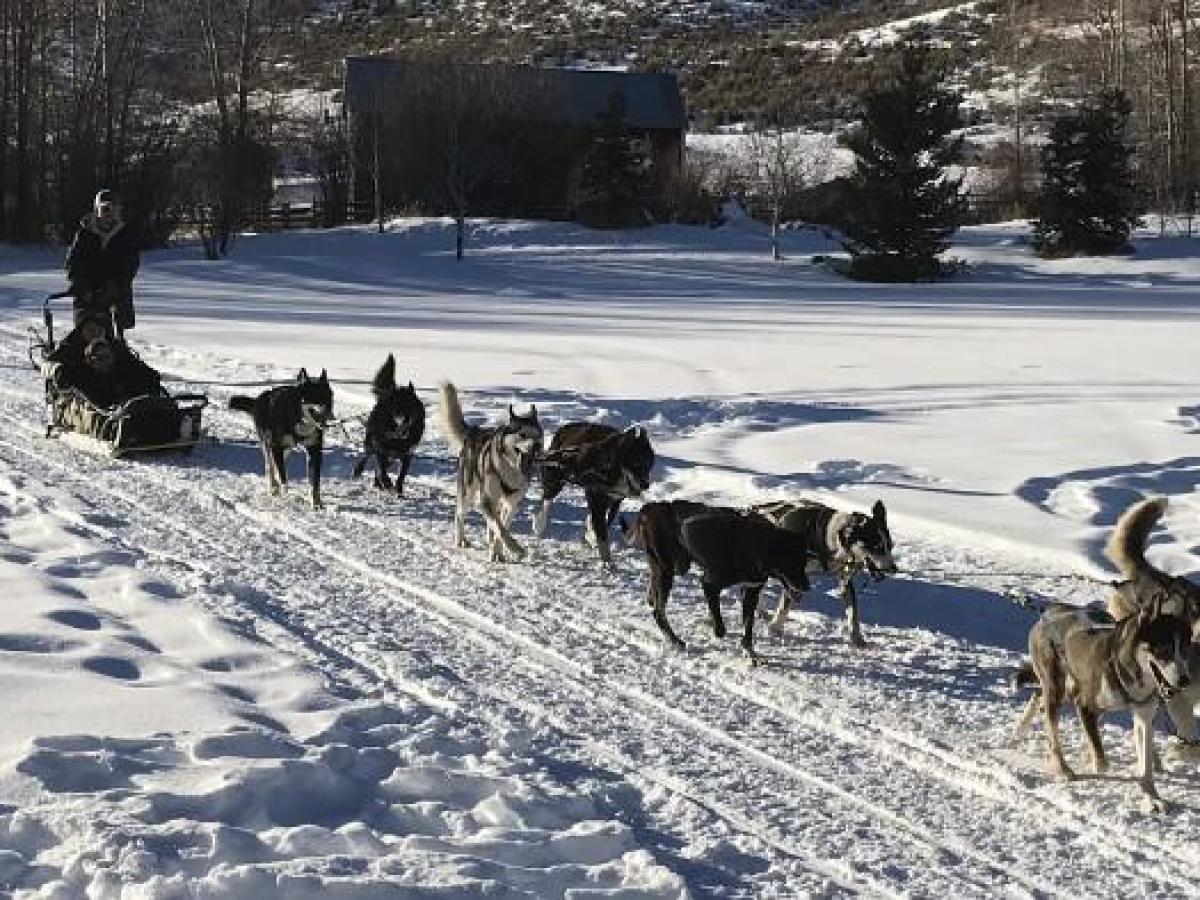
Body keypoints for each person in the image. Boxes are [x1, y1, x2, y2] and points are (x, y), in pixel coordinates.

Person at [65, 189, 140, 337]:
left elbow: (131, 264)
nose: (109, 214)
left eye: (114, 209)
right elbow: (72, 263)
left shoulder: (124, 234)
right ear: (96, 210)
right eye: (105, 209)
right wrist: (81, 284)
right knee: (87, 320)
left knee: (121, 306)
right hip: (88, 287)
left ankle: (119, 341)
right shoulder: (84, 233)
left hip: (115, 287)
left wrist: (117, 283)